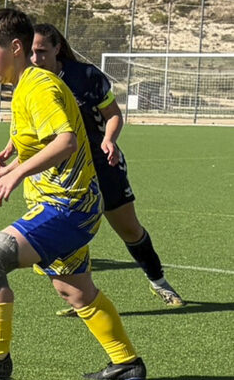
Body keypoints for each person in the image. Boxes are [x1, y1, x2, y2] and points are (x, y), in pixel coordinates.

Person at [0, 8, 145, 380]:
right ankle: (127, 363)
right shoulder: (27, 86)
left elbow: (65, 142)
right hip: (71, 204)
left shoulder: (39, 86)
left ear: (15, 48)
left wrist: (17, 174)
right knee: (75, 291)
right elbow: (49, 141)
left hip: (67, 206)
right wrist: (15, 161)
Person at [15, 23, 184, 312]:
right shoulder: (29, 81)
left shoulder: (85, 76)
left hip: (102, 164)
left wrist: (109, 139)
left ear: (57, 48)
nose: (35, 58)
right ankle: (82, 297)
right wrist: (12, 146)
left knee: (129, 229)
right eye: (30, 52)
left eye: (41, 51)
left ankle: (159, 282)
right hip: (63, 174)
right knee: (69, 235)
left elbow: (113, 114)